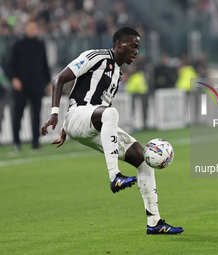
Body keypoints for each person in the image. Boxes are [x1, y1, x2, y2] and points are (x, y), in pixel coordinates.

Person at [41, 27, 183, 235]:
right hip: (78, 115)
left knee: (143, 160)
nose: (136, 51)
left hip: (90, 124)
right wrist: (56, 114)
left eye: (138, 48)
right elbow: (59, 79)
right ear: (118, 44)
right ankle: (114, 176)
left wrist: (64, 129)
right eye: (133, 46)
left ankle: (154, 221)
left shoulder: (118, 74)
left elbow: (96, 106)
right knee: (111, 113)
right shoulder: (95, 56)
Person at [7, 21, 51, 151]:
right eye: (30, 28)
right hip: (21, 87)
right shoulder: (17, 45)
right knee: (18, 114)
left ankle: (35, 143)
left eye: (34, 28)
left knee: (36, 115)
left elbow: (44, 65)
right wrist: (14, 79)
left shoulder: (40, 45)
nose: (32, 30)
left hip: (37, 85)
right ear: (25, 29)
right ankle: (16, 142)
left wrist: (49, 82)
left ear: (37, 29)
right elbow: (9, 66)